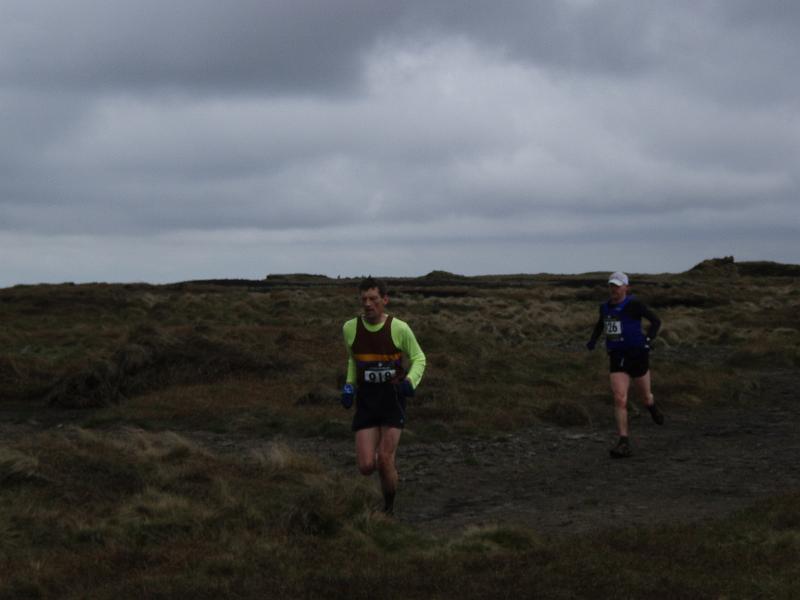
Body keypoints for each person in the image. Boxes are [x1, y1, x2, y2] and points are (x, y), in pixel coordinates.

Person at [341, 276, 426, 514]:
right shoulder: (350, 328)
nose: (368, 304)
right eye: (364, 299)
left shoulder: (399, 328)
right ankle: (388, 478)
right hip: (367, 402)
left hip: (392, 400)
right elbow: (352, 359)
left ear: (385, 300)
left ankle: (388, 508)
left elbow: (419, 358)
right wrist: (349, 385)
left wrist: (410, 381)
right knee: (367, 466)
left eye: (373, 299)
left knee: (384, 459)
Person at [586, 271, 664, 458]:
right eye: (611, 285)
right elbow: (601, 324)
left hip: (638, 355)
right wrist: (593, 340)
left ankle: (651, 406)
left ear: (626, 288)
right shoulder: (604, 307)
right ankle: (623, 441)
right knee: (620, 398)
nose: (614, 289)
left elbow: (655, 321)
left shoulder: (634, 304)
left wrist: (648, 339)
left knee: (645, 397)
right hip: (617, 355)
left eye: (617, 285)